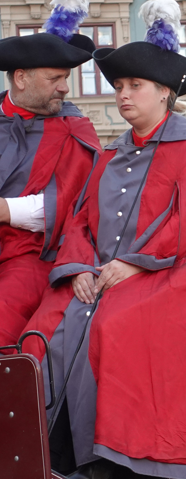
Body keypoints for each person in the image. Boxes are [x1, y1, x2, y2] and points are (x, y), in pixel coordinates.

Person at [23, 0, 186, 479]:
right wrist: (81, 268)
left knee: (116, 323)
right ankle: (43, 454)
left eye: (135, 87)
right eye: (120, 87)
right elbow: (80, 223)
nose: (123, 96)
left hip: (178, 277)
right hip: (101, 277)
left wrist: (135, 266)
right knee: (42, 328)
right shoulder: (110, 157)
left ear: (165, 94)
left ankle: (108, 461)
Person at [0, 19, 100, 349]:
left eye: (66, 78)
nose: (64, 88)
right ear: (21, 78)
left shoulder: (75, 129)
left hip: (32, 256)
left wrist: (5, 210)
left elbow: (78, 204)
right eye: (54, 78)